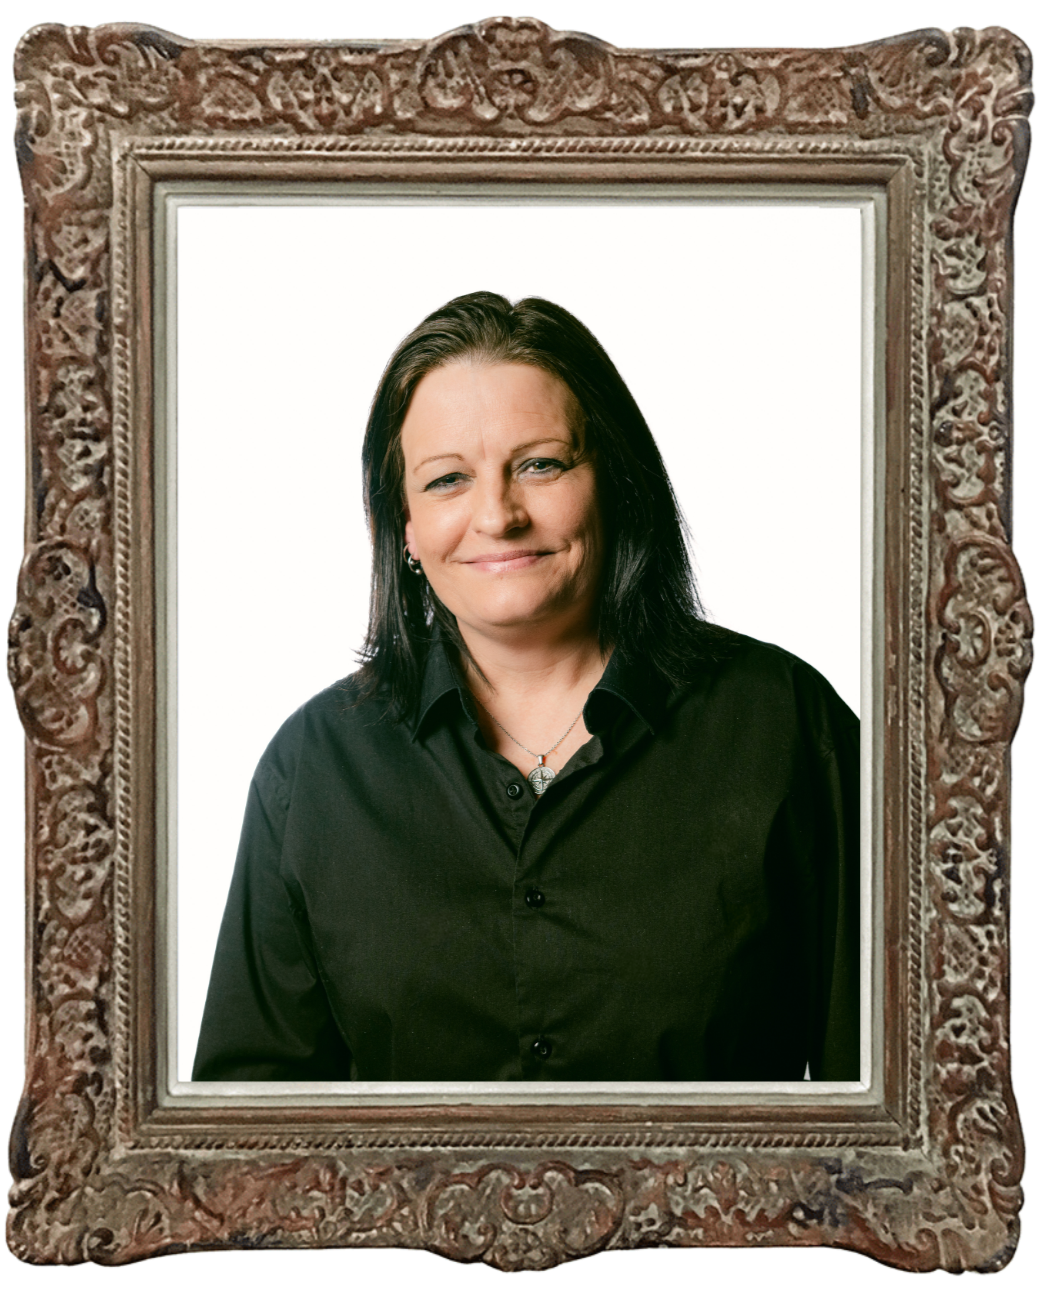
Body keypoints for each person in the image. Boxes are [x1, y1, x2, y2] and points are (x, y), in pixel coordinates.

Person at [193, 291, 860, 1084]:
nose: (498, 515)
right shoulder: (311, 772)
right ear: (402, 525)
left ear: (613, 479)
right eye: (446, 481)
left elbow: (903, 1111)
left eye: (540, 464)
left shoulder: (787, 728)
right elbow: (245, 1148)